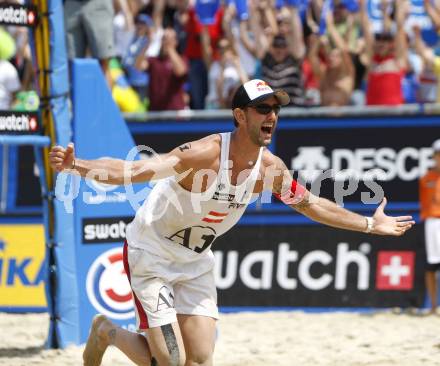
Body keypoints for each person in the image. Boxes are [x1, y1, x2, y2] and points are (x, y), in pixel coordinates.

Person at [49, 79, 415, 366]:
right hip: (152, 254)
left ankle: (115, 333)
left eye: (275, 109)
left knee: (201, 358)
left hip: (195, 262)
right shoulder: (204, 154)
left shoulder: (270, 169)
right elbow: (136, 169)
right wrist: (78, 166)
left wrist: (370, 225)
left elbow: (310, 205)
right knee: (171, 360)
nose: (271, 115)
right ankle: (106, 331)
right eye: (262, 108)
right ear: (240, 116)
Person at [419, 139, 440, 314]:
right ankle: (433, 306)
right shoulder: (426, 178)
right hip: (432, 222)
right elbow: (426, 204)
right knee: (432, 264)